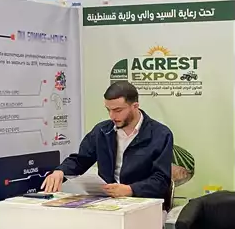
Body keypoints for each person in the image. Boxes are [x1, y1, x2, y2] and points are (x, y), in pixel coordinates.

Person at [42, 81, 173, 200]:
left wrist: (130, 190)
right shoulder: (102, 131)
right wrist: (60, 171)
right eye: (108, 110)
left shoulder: (160, 134)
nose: (112, 116)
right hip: (107, 201)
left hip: (145, 202)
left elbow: (161, 181)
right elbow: (80, 160)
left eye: (118, 110)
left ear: (135, 106)